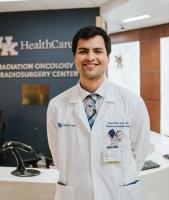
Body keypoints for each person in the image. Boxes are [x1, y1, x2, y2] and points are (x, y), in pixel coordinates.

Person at [47, 26, 150, 200]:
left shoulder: (132, 102)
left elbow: (139, 154)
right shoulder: (57, 105)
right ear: (74, 57)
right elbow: (58, 157)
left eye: (97, 51)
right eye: (83, 51)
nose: (90, 57)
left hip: (118, 193)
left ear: (108, 57)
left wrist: (118, 179)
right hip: (75, 193)